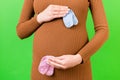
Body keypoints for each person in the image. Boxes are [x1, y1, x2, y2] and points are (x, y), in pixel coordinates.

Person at [16, 0, 109, 80]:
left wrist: (79, 58)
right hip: (43, 73)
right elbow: (21, 32)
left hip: (77, 72)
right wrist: (39, 18)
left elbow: (103, 30)